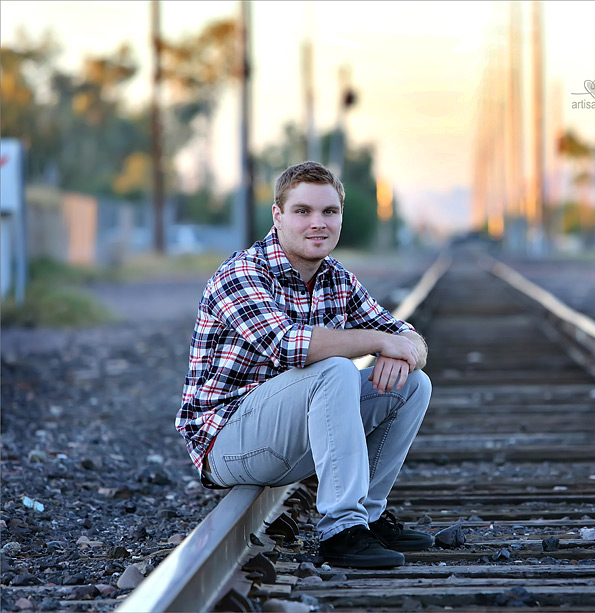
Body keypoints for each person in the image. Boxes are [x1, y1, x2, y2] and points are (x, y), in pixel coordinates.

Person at [176, 161, 433, 569]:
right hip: (226, 442)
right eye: (303, 211)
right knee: (334, 370)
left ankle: (367, 517)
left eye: (329, 212)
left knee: (413, 384)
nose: (318, 223)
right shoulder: (242, 272)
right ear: (278, 216)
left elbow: (410, 337)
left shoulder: (337, 279)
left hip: (287, 432)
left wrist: (403, 347)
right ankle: (341, 532)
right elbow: (290, 346)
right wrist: (383, 342)